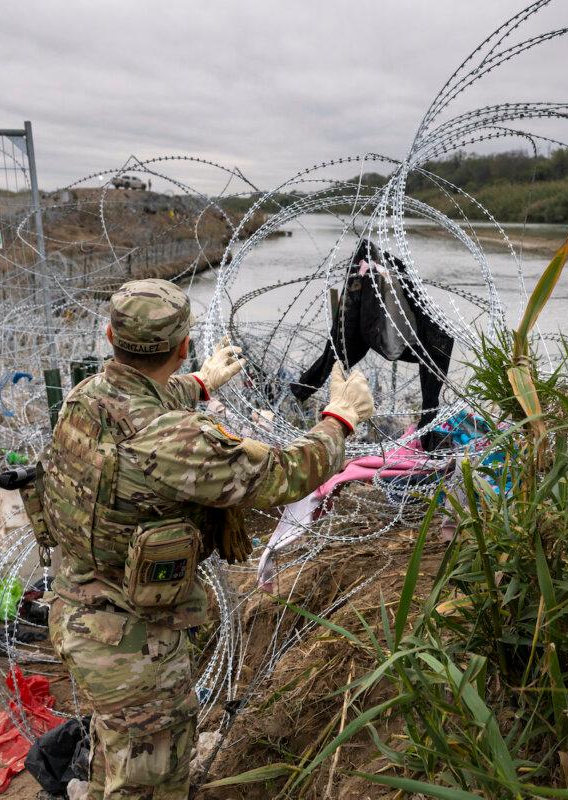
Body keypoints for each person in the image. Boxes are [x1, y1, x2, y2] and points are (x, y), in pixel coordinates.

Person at [42, 278, 374, 799]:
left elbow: (142, 399)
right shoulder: (179, 440)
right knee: (152, 778)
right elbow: (285, 475)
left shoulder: (87, 398)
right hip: (133, 643)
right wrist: (341, 419)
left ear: (110, 336)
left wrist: (200, 383)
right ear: (181, 346)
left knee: (119, 747)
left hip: (77, 608)